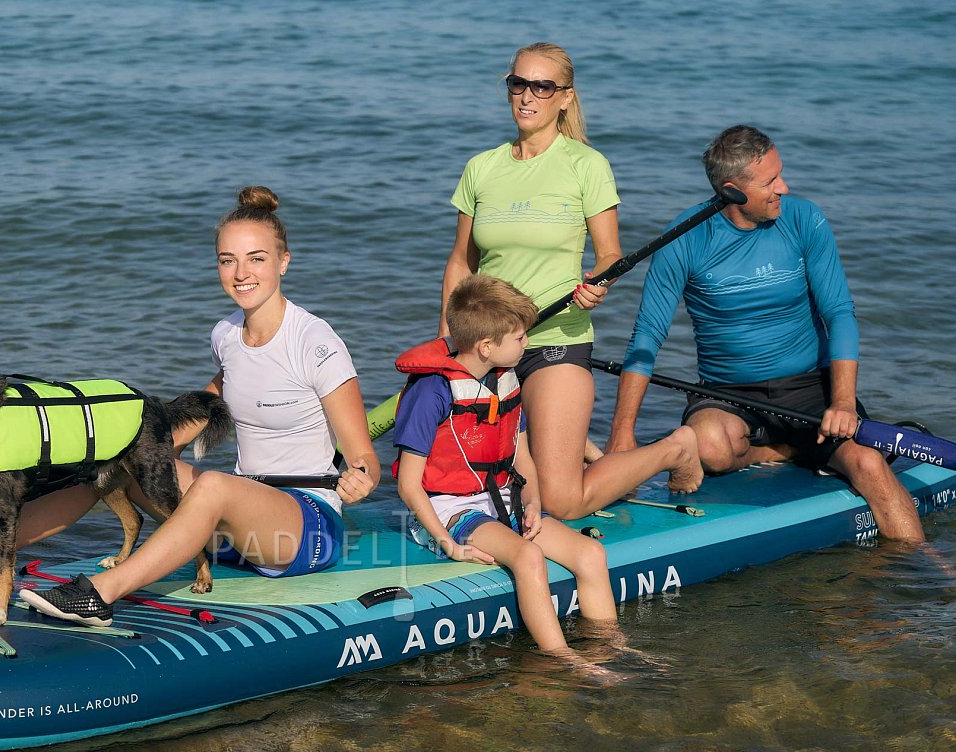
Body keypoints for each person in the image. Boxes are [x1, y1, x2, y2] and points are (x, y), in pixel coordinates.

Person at [0, 186, 381, 624]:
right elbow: (212, 405)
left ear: (284, 261)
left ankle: (101, 593)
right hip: (240, 530)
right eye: (227, 260)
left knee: (213, 485)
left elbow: (364, 458)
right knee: (116, 455)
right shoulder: (227, 335)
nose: (240, 274)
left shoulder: (315, 342)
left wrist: (361, 477)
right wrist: (131, 441)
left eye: (256, 259)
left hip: (303, 528)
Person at [605, 125, 925, 543]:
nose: (783, 187)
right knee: (709, 448)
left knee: (868, 465)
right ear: (733, 191)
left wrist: (843, 403)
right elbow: (647, 334)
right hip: (729, 391)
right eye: (770, 181)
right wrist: (622, 431)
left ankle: (922, 576)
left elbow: (840, 313)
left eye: (780, 174)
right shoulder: (684, 239)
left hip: (811, 386)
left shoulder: (804, 219)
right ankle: (787, 446)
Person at [439, 41, 702, 518]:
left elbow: (609, 254)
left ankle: (675, 448)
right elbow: (461, 262)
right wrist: (448, 334)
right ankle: (578, 446)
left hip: (555, 340)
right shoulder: (482, 167)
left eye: (542, 86)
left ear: (565, 97)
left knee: (559, 501)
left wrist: (597, 283)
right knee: (480, 491)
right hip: (486, 346)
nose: (527, 96)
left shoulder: (586, 165)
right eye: (518, 83)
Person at [394, 274, 620, 664]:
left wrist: (532, 502)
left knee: (590, 554)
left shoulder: (504, 378)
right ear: (486, 346)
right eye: (519, 337)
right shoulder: (431, 392)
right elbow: (408, 487)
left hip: (502, 501)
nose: (527, 343)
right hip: (448, 510)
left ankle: (611, 646)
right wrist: (449, 545)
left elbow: (520, 457)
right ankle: (563, 657)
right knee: (528, 558)